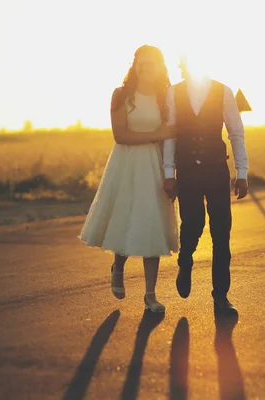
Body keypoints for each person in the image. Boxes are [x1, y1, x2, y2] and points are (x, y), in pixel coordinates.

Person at [79, 45, 179, 313]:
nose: (145, 68)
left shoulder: (164, 96)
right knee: (126, 218)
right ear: (134, 65)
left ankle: (150, 294)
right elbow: (120, 135)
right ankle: (118, 267)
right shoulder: (121, 95)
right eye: (140, 63)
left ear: (160, 66)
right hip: (126, 165)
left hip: (155, 166)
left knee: (152, 223)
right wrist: (157, 134)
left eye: (151, 63)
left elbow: (174, 132)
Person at [163, 56, 249, 314]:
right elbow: (170, 134)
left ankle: (221, 295)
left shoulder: (223, 91)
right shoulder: (173, 93)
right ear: (182, 67)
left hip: (216, 170)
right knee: (193, 222)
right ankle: (185, 258)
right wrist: (169, 173)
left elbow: (236, 132)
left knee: (222, 233)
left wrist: (241, 172)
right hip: (187, 170)